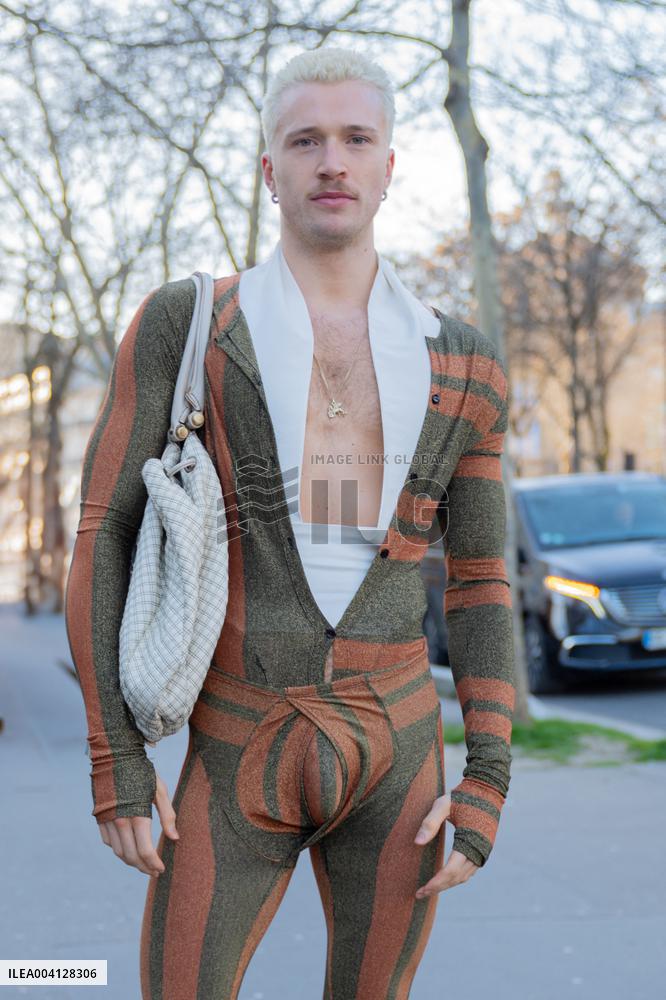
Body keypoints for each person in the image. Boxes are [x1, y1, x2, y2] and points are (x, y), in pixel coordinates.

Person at [65, 46, 516, 1000]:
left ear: (391, 165)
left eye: (357, 139)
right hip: (233, 746)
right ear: (270, 170)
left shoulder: (463, 361)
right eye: (305, 141)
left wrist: (488, 778)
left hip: (398, 755)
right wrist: (116, 759)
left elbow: (481, 583)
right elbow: (103, 531)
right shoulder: (188, 324)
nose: (333, 162)